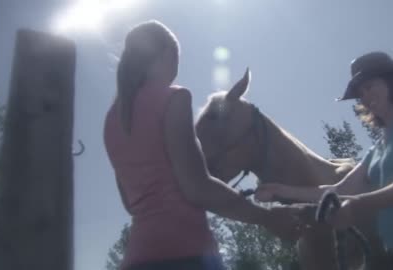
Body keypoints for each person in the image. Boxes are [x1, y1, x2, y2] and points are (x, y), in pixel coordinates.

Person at [103, 20, 302, 270]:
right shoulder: (175, 98)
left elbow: (130, 204)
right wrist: (268, 218)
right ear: (168, 54)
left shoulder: (114, 119)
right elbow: (197, 188)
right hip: (187, 254)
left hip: (136, 258)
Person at [255, 52, 393, 269]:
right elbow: (339, 189)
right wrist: (281, 190)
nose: (365, 97)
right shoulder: (378, 147)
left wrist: (358, 205)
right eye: (361, 92)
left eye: (371, 86)